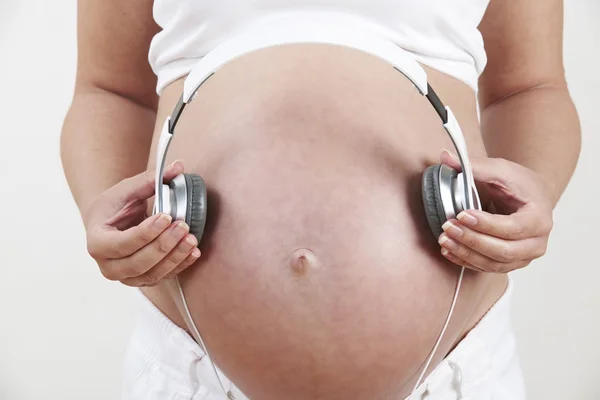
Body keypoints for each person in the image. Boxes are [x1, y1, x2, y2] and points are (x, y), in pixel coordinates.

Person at [61, 1, 581, 399]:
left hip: (453, 373)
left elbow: (529, 86)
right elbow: (110, 88)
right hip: (193, 369)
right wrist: (99, 203)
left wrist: (536, 187)